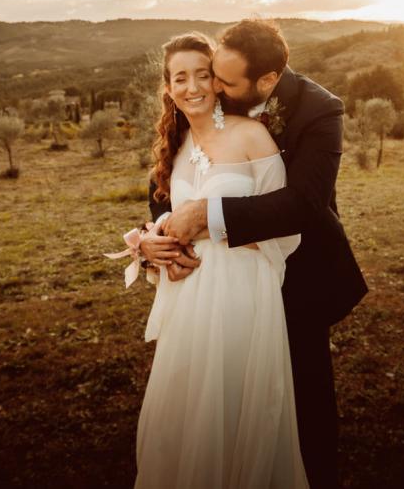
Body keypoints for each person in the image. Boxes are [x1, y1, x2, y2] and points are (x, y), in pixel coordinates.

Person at [144, 19, 368, 489]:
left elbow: (304, 204)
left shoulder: (317, 110)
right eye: (201, 76)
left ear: (265, 81)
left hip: (293, 275)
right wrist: (149, 245)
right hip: (200, 298)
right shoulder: (185, 131)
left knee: (297, 403)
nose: (212, 89)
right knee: (204, 406)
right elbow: (164, 206)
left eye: (219, 80)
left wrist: (208, 215)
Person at [132, 31, 309, 488]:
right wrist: (150, 245)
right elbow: (164, 219)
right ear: (168, 88)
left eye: (202, 75)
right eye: (179, 78)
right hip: (188, 305)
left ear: (217, 82)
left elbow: (286, 226)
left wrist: (210, 229)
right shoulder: (173, 151)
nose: (192, 87)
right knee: (185, 419)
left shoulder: (251, 136)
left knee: (236, 413)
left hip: (243, 297)